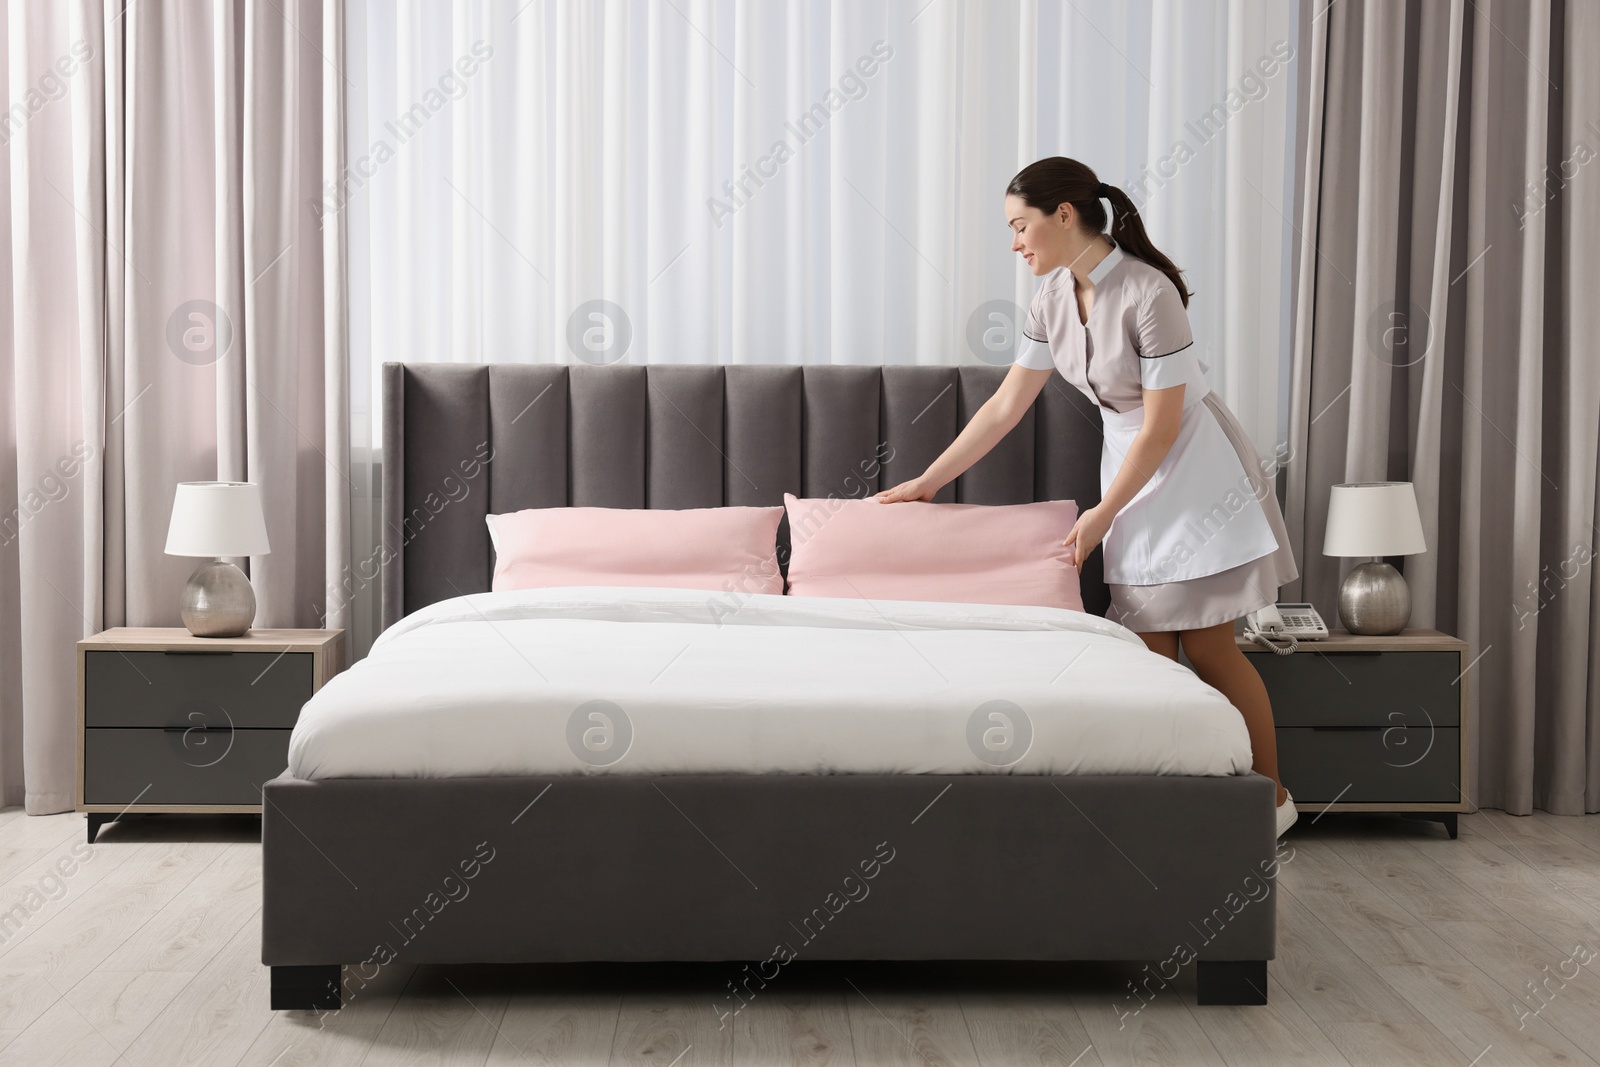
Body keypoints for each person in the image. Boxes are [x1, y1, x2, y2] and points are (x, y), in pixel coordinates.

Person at [876, 156, 1301, 837]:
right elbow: (1005, 407)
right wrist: (929, 480)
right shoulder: (1051, 297)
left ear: (1064, 215)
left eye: (1021, 226)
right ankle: (1173, 811)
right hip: (1129, 466)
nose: (1015, 243)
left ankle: (1274, 802)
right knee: (1150, 652)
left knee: (1213, 648)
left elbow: (1162, 425)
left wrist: (1106, 511)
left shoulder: (1147, 292)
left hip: (1190, 467)